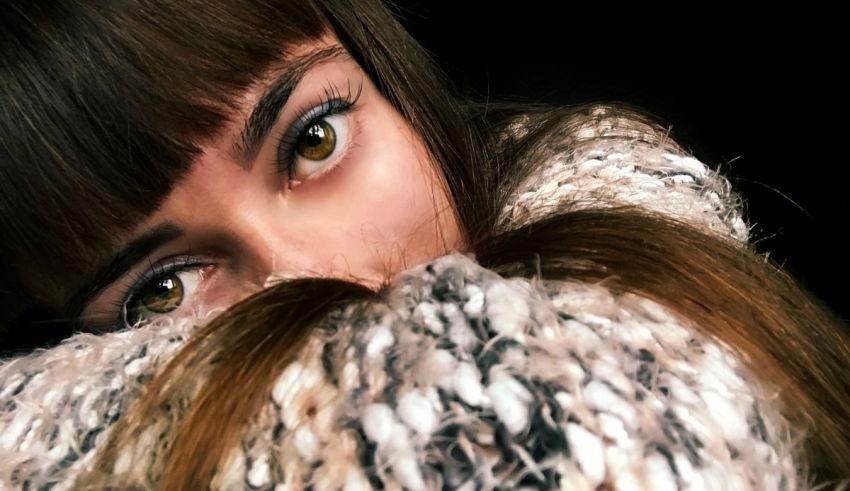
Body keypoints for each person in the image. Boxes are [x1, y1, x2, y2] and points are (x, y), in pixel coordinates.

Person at [0, 1, 847, 489]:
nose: (316, 274)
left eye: (315, 141)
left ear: (393, 85)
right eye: (163, 289)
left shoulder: (663, 254)